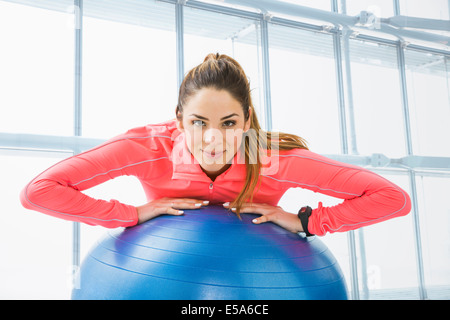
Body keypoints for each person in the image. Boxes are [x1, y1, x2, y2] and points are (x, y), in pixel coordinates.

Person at [20, 53, 411, 236]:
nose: (213, 139)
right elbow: (38, 192)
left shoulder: (270, 157)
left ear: (246, 121)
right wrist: (131, 214)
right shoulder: (149, 147)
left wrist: (309, 221)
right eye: (198, 123)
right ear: (178, 120)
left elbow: (393, 198)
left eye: (229, 123)